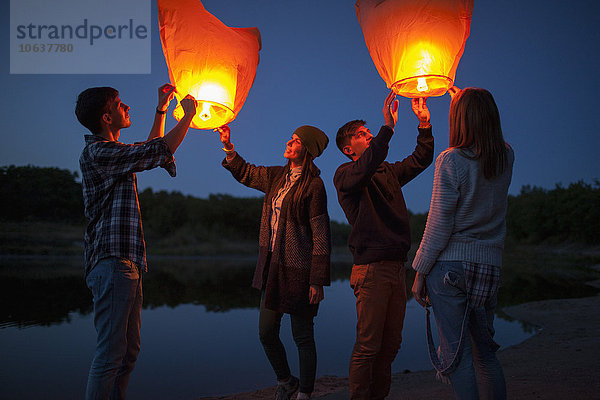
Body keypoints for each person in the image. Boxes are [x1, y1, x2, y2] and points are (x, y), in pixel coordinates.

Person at [76, 84, 197, 400]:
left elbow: (148, 150)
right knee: (110, 353)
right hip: (112, 262)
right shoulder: (98, 152)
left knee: (128, 352)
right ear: (107, 117)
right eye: (119, 104)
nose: (126, 106)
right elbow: (156, 151)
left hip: (126, 263)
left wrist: (162, 109)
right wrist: (188, 117)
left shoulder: (113, 152)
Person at [411, 86, 514, 399]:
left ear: (460, 119)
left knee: (457, 358)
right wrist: (464, 95)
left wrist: (419, 271)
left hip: (450, 267)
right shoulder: (506, 156)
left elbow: (440, 225)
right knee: (486, 353)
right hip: (489, 265)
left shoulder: (450, 160)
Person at [216, 124, 331, 400]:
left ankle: (304, 392)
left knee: (302, 336)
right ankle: (285, 380)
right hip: (271, 266)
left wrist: (317, 279)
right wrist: (228, 146)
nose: (289, 143)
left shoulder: (314, 186)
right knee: (267, 332)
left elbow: (321, 234)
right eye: (290, 138)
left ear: (307, 149)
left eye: (295, 140)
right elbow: (246, 173)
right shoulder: (276, 176)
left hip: (300, 271)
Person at [333, 90, 434, 400]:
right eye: (364, 134)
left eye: (370, 132)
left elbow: (421, 160)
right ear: (350, 148)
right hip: (371, 270)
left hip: (395, 268)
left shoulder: (387, 171)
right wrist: (388, 128)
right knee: (368, 344)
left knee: (391, 345)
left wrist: (424, 126)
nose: (371, 135)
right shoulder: (345, 175)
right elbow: (364, 168)